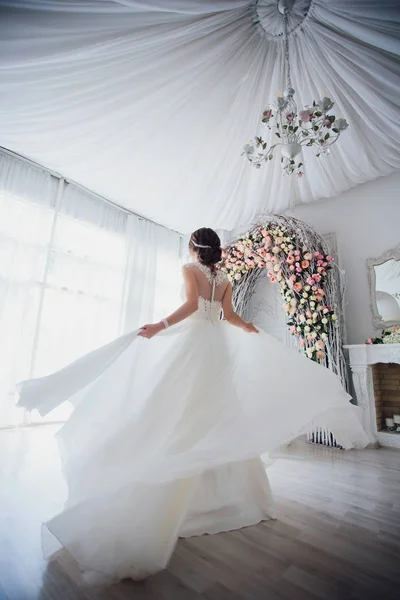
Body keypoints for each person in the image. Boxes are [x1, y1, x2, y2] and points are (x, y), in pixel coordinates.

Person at [17, 227, 369, 585]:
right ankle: (243, 502)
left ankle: (179, 495)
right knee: (215, 413)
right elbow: (227, 317)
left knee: (181, 411)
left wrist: (159, 325)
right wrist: (250, 330)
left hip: (194, 345)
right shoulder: (224, 277)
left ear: (193, 247)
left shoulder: (190, 270)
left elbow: (189, 307)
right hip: (217, 348)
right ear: (215, 250)